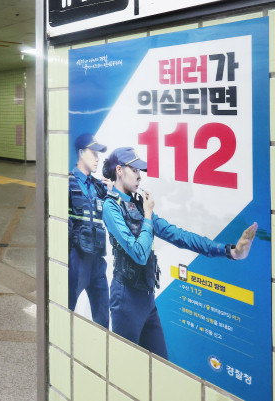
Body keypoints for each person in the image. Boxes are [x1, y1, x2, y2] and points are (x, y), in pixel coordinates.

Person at [101, 147, 257, 359]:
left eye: (141, 171)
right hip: (125, 300)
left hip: (147, 299)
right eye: (134, 170)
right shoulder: (111, 207)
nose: (139, 176)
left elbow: (179, 236)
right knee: (126, 370)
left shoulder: (138, 204)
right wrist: (148, 215)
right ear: (119, 170)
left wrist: (230, 251)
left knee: (161, 367)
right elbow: (138, 253)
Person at [68, 133, 111, 329]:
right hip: (77, 259)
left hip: (98, 261)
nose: (97, 159)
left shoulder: (98, 187)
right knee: (67, 309)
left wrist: (112, 191)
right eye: (93, 153)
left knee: (103, 316)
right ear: (81, 153)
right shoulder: (67, 183)